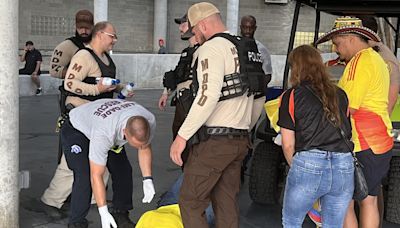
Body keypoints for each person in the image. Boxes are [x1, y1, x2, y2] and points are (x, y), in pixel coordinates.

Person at [170, 2, 266, 227]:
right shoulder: (247, 48)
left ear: (202, 25)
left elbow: (207, 95)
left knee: (190, 200)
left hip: (214, 142)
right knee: (226, 202)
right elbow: (259, 95)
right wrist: (245, 127)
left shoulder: (211, 49)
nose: (196, 37)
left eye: (195, 31)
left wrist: (182, 137)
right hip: (240, 141)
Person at [315, 16, 394, 228]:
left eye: (337, 43)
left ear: (349, 38)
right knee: (369, 200)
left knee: (344, 203)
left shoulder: (359, 62)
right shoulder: (376, 59)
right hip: (379, 142)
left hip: (362, 143)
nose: (336, 48)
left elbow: (346, 107)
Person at [278, 44, 354, 227]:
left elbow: (288, 144)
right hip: (344, 164)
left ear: (295, 69)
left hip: (309, 162)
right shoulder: (341, 95)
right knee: (333, 225)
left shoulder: (291, 96)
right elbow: (348, 133)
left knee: (292, 222)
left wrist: (299, 168)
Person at [61, 98, 156, 228]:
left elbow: (144, 147)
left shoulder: (148, 120)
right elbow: (96, 175)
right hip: (77, 129)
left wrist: (147, 179)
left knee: (123, 170)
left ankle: (120, 214)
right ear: (125, 133)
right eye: (134, 144)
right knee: (85, 174)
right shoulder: (105, 133)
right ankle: (76, 222)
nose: (138, 147)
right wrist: (103, 212)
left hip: (103, 122)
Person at [41, 9, 95, 218]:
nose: (84, 29)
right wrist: (77, 72)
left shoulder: (94, 45)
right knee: (71, 149)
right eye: (80, 26)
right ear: (75, 25)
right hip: (72, 101)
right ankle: (58, 197)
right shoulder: (68, 46)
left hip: (93, 104)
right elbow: (54, 70)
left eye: (87, 26)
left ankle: (86, 193)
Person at [158, 13, 198, 162]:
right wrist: (165, 93)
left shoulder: (205, 49)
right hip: (182, 102)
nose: (180, 28)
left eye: (184, 24)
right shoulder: (187, 51)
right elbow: (177, 74)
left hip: (193, 102)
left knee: (192, 142)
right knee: (179, 137)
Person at [240, 15, 272, 80]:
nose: (248, 31)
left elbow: (268, 74)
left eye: (250, 28)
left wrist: (258, 87)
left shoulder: (262, 49)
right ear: (241, 27)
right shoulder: (233, 46)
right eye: (245, 27)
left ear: (255, 28)